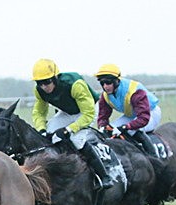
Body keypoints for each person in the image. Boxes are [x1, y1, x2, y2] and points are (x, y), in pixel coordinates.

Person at [31, 59, 113, 189]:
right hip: (67, 112)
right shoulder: (39, 91)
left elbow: (88, 114)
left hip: (88, 110)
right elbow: (39, 113)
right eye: (39, 83)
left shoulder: (75, 84)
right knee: (49, 135)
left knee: (76, 139)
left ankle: (104, 176)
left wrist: (69, 129)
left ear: (55, 78)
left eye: (47, 82)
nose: (44, 87)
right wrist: (41, 129)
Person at [94, 64, 161, 156]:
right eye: (102, 83)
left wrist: (125, 127)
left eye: (108, 82)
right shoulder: (105, 95)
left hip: (150, 113)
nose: (105, 86)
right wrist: (103, 127)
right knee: (109, 130)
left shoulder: (135, 91)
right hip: (131, 115)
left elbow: (143, 118)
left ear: (117, 80)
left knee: (132, 131)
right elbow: (103, 116)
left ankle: (154, 157)